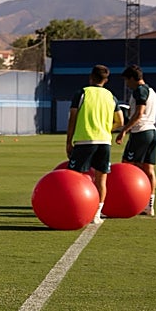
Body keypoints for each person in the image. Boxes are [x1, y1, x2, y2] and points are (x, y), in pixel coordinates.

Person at [66, 63, 123, 225]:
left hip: (84, 141)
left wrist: (68, 141)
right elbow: (120, 121)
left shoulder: (82, 93)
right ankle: (96, 214)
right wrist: (105, 129)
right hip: (104, 142)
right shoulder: (111, 96)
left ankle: (75, 209)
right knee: (101, 180)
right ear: (106, 80)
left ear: (91, 77)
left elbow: (72, 119)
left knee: (73, 178)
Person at [116, 64, 156, 216]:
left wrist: (124, 130)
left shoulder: (139, 90)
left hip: (141, 132)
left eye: (127, 80)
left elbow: (139, 113)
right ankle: (149, 205)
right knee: (148, 170)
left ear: (133, 78)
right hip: (152, 131)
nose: (127, 84)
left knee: (126, 167)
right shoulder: (152, 90)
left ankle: (126, 201)